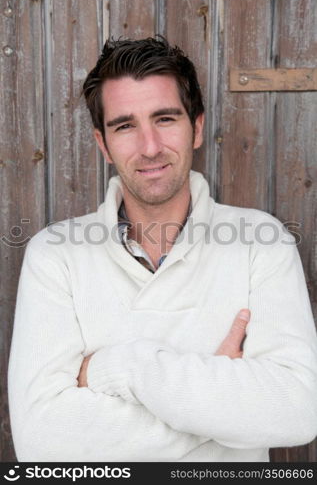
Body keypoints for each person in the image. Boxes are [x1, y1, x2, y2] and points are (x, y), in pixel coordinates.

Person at [8, 37, 317, 462]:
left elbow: (298, 410)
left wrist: (118, 368)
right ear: (103, 144)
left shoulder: (260, 242)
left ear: (198, 128)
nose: (150, 147)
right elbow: (42, 445)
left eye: (165, 118)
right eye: (125, 125)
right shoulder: (55, 255)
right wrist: (219, 409)